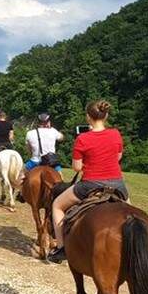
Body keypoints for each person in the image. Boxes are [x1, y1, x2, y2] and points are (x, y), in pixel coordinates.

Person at [47, 100, 128, 263]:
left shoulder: (83, 139)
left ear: (88, 117)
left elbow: (76, 167)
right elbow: (118, 157)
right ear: (106, 116)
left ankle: (61, 248)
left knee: (57, 205)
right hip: (117, 184)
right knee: (131, 213)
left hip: (90, 184)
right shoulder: (116, 134)